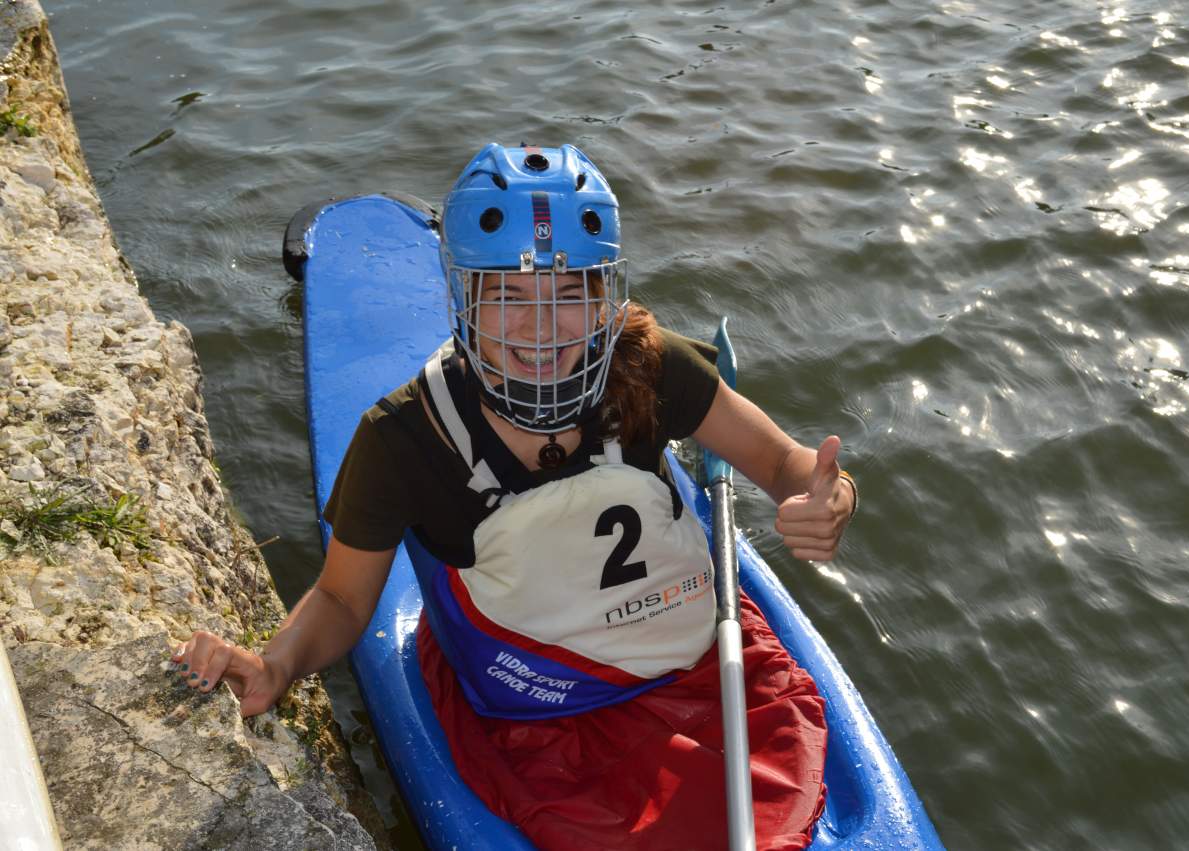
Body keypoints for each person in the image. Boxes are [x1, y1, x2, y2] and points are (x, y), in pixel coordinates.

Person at [174, 143, 856, 850]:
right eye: (507, 295)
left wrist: (832, 498)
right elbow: (343, 600)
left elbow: (787, 463)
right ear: (464, 298)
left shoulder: (651, 365)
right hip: (540, 709)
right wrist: (277, 664)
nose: (541, 328)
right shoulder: (400, 439)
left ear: (604, 295)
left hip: (691, 659)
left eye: (570, 293)